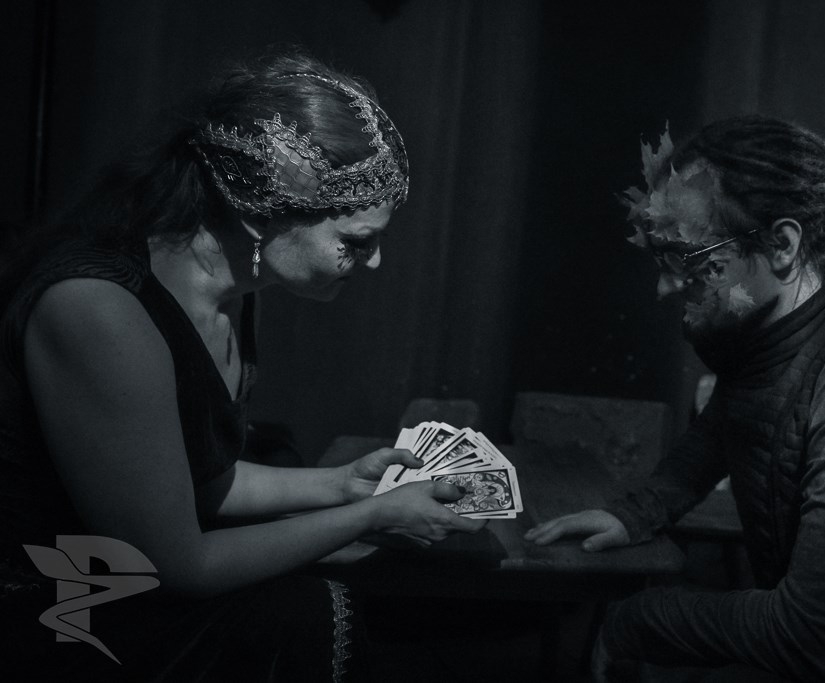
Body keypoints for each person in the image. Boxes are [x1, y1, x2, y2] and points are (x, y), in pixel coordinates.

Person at [0, 48, 484, 682]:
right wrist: (371, 516)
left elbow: (199, 481)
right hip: (59, 607)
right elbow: (176, 564)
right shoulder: (100, 310)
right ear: (257, 215)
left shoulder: (235, 291)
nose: (374, 263)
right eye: (355, 242)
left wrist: (341, 485)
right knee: (308, 613)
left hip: (131, 582)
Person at [525, 116, 825, 681]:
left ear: (781, 245)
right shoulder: (772, 336)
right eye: (661, 259)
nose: (665, 287)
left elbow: (818, 637)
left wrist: (640, 621)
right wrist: (634, 514)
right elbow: (723, 429)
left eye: (689, 259)